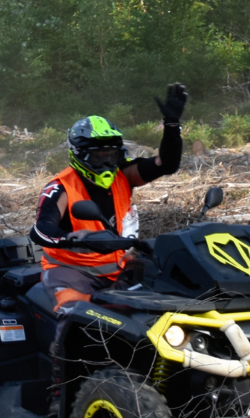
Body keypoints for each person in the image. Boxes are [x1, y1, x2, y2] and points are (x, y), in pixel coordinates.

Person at [31, 83, 187, 314]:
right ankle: (63, 335)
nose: (106, 164)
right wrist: (73, 238)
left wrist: (172, 125)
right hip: (72, 272)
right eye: (98, 157)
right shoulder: (60, 187)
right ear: (80, 156)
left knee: (173, 290)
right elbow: (41, 230)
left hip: (119, 267)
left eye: (111, 156)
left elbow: (166, 164)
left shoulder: (124, 174)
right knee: (77, 315)